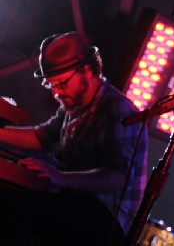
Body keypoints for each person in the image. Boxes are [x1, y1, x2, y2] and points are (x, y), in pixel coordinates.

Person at [0, 31, 148, 245]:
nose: (57, 92)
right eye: (52, 85)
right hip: (73, 205)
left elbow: (118, 176)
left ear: (87, 70)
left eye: (62, 83)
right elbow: (41, 138)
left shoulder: (118, 111)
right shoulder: (74, 105)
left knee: (20, 208)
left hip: (105, 224)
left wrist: (61, 177)